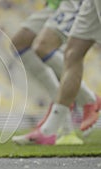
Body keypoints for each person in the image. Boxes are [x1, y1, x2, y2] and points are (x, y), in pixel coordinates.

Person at [11, 0, 100, 145]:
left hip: (70, 4)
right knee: (22, 42)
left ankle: (79, 103)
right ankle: (55, 122)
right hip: (56, 4)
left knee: (45, 46)